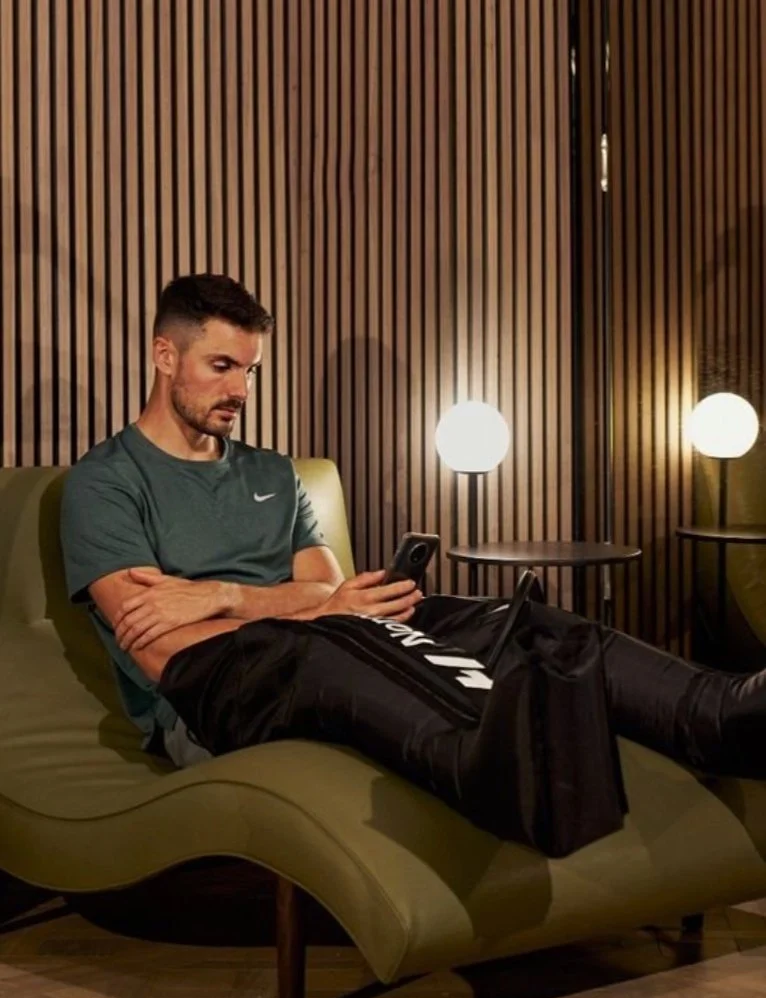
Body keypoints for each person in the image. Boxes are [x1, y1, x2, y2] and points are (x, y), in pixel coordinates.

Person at [60, 273, 766, 857]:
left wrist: (223, 595)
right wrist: (310, 611)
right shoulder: (106, 483)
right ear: (164, 356)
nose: (241, 390)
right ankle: (491, 765)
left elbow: (328, 588)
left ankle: (718, 712)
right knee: (333, 648)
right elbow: (165, 649)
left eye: (250, 370)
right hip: (208, 702)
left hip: (311, 644)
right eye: (222, 367)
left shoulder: (273, 472)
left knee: (497, 619)